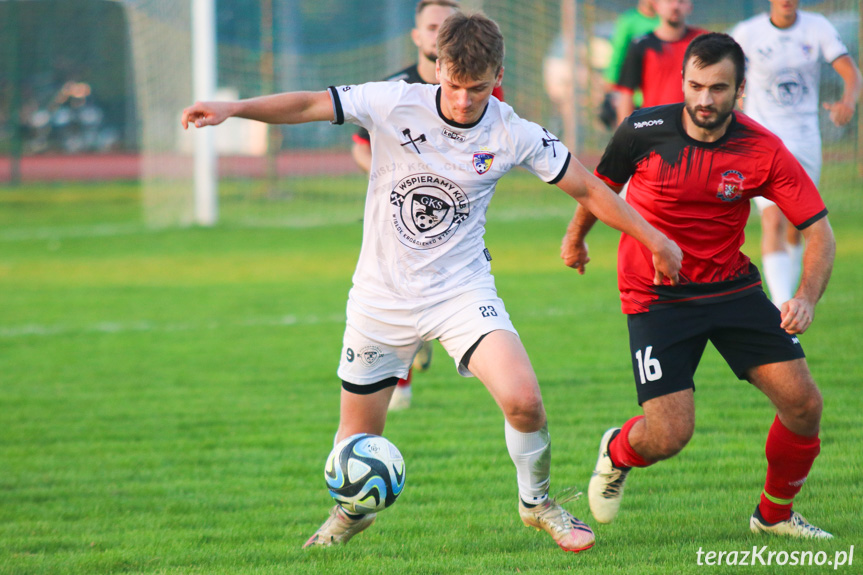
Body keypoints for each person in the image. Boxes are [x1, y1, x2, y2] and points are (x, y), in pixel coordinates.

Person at [183, 12, 682, 552]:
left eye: (478, 88)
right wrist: (233, 109)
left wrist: (653, 238)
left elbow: (588, 188)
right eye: (454, 84)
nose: (464, 100)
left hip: (460, 293)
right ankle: (351, 513)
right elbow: (307, 103)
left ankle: (537, 503)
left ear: (499, 76)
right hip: (380, 298)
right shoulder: (394, 101)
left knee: (525, 401)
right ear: (437, 67)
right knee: (356, 442)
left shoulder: (514, 132)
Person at [561, 33, 836, 539]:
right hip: (655, 295)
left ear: (740, 89)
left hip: (731, 289)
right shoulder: (643, 130)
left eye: (718, 88)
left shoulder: (762, 149)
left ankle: (773, 515)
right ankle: (617, 450)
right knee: (669, 435)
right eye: (695, 86)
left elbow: (819, 228)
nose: (705, 99)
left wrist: (805, 296)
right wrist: (576, 239)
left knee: (804, 405)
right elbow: (599, 189)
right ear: (682, 82)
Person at [352, 0, 505, 411]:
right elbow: (361, 148)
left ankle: (431, 339)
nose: (466, 97)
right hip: (402, 220)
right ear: (418, 37)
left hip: (454, 240)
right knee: (398, 285)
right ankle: (402, 367)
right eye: (432, 27)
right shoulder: (394, 91)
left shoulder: (483, 92)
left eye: (446, 26)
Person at [731, 0, 862, 307]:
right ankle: (780, 306)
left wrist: (848, 102)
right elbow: (727, 71)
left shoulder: (818, 27)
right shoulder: (747, 32)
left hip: (804, 141)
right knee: (772, 218)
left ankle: (787, 300)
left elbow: (851, 73)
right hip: (762, 140)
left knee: (796, 224)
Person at [614, 0, 707, 125]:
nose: (675, 7)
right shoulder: (642, 44)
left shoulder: (703, 43)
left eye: (681, 2)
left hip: (695, 128)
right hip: (654, 128)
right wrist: (625, 136)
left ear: (690, 6)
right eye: (669, 1)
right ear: (656, 6)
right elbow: (626, 93)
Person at [599, 0, 659, 128]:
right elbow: (618, 52)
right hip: (633, 92)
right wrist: (610, 78)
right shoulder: (629, 21)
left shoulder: (664, 23)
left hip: (656, 91)